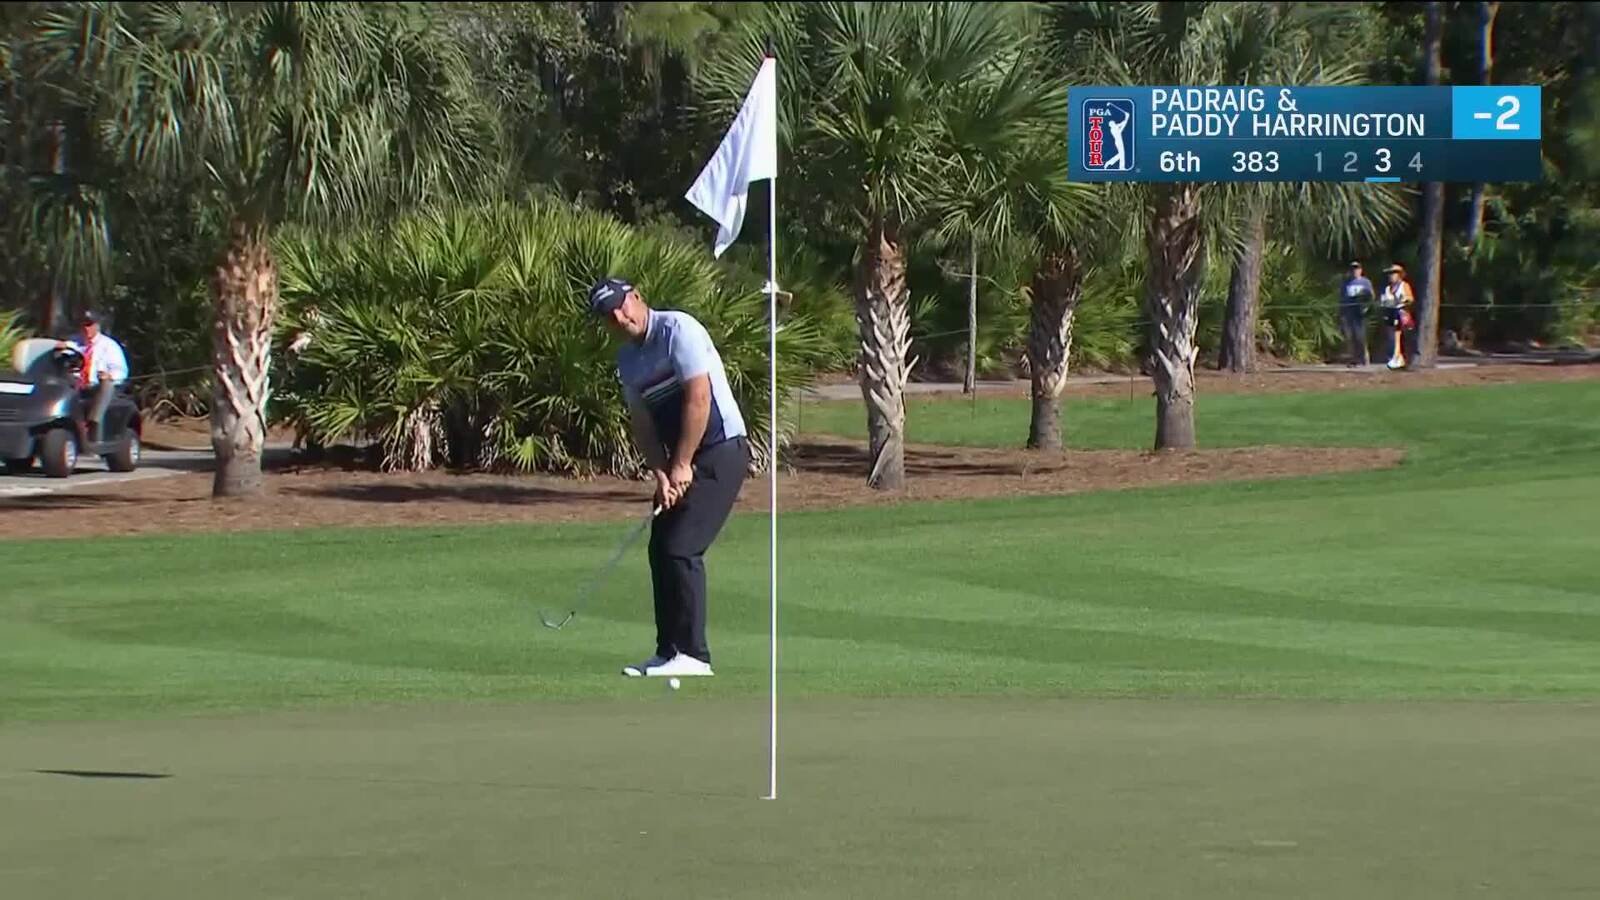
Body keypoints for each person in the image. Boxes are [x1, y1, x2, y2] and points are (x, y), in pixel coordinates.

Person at [588, 277, 749, 680]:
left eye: (622, 305)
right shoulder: (628, 359)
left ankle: (694, 654)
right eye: (609, 315)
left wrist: (682, 464)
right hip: (682, 458)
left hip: (721, 449)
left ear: (637, 297)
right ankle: (669, 651)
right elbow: (643, 423)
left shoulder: (679, 329)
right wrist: (661, 473)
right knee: (660, 547)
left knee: (681, 546)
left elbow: (699, 399)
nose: (619, 317)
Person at [56, 310, 128, 444]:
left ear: (97, 326)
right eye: (83, 325)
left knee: (106, 384)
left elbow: (121, 371)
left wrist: (110, 375)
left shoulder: (109, 345)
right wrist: (60, 348)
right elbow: (63, 355)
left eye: (89, 325)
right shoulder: (74, 342)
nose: (86, 329)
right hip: (77, 386)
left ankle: (93, 423)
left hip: (96, 386)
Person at [1378, 264, 1416, 370]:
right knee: (1391, 337)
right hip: (1390, 315)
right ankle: (1394, 358)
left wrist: (1403, 300)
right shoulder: (1387, 289)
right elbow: (1383, 301)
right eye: (1390, 274)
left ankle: (1403, 359)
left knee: (1403, 338)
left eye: (1394, 273)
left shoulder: (1404, 285)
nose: (1391, 276)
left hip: (1402, 315)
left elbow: (1410, 299)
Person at [1338, 262, 1374, 366]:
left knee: (1360, 336)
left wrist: (1366, 307)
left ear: (1361, 270)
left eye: (1357, 268)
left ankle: (1364, 358)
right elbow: (1342, 298)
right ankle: (1354, 358)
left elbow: (1371, 296)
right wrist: (1342, 312)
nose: (1355, 271)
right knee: (1350, 337)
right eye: (1353, 269)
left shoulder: (1365, 282)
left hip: (1360, 313)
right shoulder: (1346, 283)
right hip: (1349, 313)